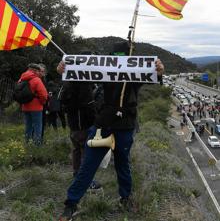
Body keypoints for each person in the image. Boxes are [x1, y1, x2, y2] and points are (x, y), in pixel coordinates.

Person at [58, 41, 164, 220]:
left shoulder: (135, 75)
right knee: (88, 165)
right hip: (103, 125)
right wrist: (66, 69)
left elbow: (154, 77)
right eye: (116, 57)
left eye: (123, 57)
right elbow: (82, 76)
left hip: (125, 125)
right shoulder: (104, 73)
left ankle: (125, 197)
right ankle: (71, 203)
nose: (119, 60)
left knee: (123, 164)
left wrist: (158, 71)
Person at [58, 50, 101, 189]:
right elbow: (84, 102)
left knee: (77, 148)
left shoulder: (70, 78)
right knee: (85, 150)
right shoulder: (80, 80)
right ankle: (85, 181)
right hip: (82, 121)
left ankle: (77, 175)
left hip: (74, 122)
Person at [18, 63, 48, 145]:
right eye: (38, 71)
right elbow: (44, 94)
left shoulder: (21, 79)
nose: (39, 72)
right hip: (36, 107)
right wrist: (43, 102)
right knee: (38, 126)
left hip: (25, 106)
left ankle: (27, 143)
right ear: (35, 71)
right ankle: (37, 145)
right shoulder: (36, 79)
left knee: (28, 125)